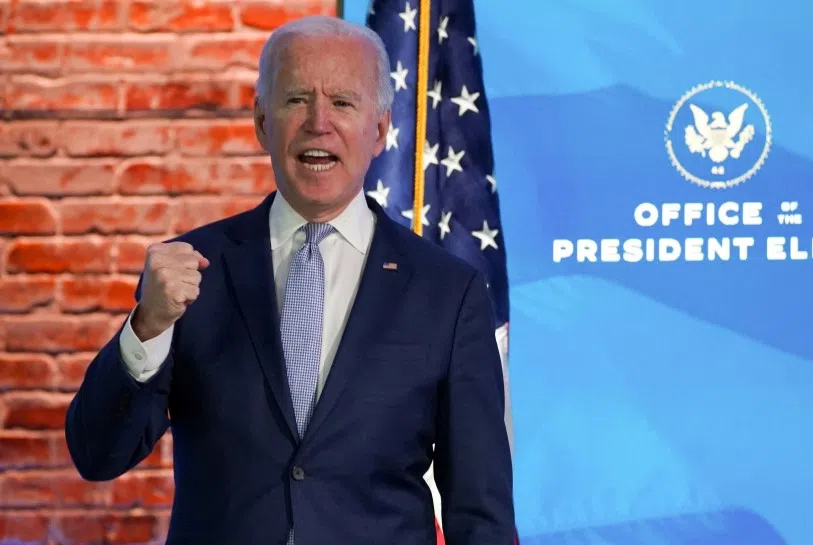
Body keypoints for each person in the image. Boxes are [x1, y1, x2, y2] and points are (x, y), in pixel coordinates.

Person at [64, 15, 515, 545]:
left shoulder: (448, 291)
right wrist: (147, 327)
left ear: (380, 130)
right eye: (296, 99)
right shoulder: (191, 271)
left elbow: (479, 512)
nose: (318, 123)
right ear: (261, 123)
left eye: (343, 103)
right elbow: (98, 455)